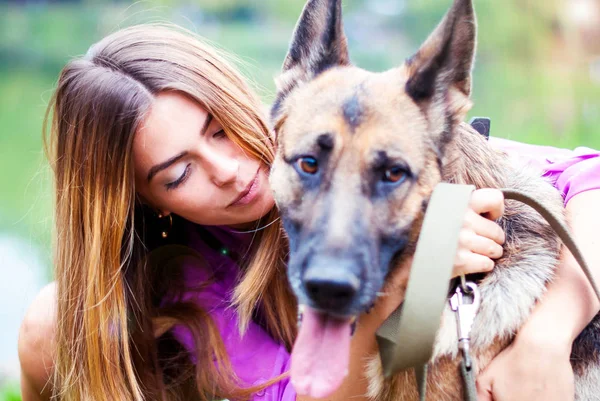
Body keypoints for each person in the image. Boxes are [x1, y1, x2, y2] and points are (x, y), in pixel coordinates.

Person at [17, 24, 600, 401]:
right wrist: (411, 281)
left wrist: (544, 341)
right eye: (178, 173)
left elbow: (586, 173)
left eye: (221, 130)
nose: (226, 168)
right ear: (146, 203)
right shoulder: (194, 281)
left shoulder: (331, 126)